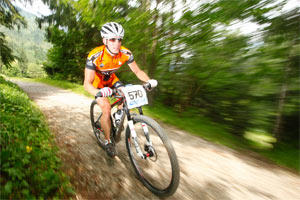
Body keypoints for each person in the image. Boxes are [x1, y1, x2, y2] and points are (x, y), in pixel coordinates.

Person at [84, 22, 157, 157]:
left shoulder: (125, 53)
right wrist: (98, 92)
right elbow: (87, 84)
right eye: (112, 39)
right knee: (106, 107)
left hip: (112, 79)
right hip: (98, 83)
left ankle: (119, 114)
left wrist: (149, 81)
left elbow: (137, 71)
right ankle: (108, 141)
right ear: (104, 40)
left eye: (119, 39)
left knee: (126, 93)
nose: (116, 43)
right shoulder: (95, 56)